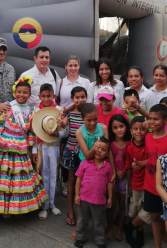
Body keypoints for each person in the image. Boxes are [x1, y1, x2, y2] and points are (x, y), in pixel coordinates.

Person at [0, 76, 48, 215]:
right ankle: (3, 207)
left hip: (22, 147)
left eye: (25, 92)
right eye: (19, 92)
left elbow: (32, 131)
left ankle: (17, 207)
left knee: (19, 177)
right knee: (4, 177)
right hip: (5, 146)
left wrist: (33, 149)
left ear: (29, 95)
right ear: (15, 92)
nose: (21, 95)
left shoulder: (32, 111)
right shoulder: (8, 107)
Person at [128, 104, 167, 248]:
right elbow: (151, 158)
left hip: (166, 185)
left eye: (156, 119)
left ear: (166, 120)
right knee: (153, 215)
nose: (152, 122)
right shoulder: (147, 137)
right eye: (150, 119)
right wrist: (140, 164)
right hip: (150, 184)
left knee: (166, 215)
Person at [74, 137, 113, 248]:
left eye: (103, 149)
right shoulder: (85, 163)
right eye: (97, 147)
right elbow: (79, 179)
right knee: (82, 220)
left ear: (107, 153)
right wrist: (77, 194)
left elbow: (110, 182)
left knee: (99, 222)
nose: (99, 151)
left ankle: (100, 240)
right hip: (84, 198)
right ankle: (80, 237)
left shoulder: (107, 167)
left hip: (99, 201)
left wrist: (110, 197)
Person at [33, 83, 65, 220]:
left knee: (53, 174)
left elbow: (65, 131)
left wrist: (57, 134)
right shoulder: (35, 111)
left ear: (54, 96)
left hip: (55, 146)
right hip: (42, 147)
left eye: (49, 96)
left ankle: (52, 204)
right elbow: (34, 133)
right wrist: (34, 150)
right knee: (44, 175)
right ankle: (44, 206)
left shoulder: (59, 110)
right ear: (39, 96)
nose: (46, 99)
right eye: (44, 96)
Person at [59, 86, 87, 228]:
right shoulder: (70, 114)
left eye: (82, 97)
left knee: (83, 183)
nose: (80, 100)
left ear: (86, 98)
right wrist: (60, 119)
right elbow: (63, 124)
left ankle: (82, 212)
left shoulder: (89, 112)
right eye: (77, 97)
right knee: (71, 181)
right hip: (71, 150)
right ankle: (71, 211)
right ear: (72, 99)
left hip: (86, 152)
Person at [124, 116, 150, 248]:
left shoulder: (150, 144)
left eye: (142, 129)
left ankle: (130, 227)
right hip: (136, 183)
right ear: (131, 131)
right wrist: (129, 185)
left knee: (147, 210)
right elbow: (128, 168)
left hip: (149, 184)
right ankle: (139, 232)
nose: (139, 132)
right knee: (136, 210)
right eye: (135, 129)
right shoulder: (129, 148)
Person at [106, 115, 132, 242]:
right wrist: (114, 172)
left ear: (126, 127)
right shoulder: (110, 144)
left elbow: (131, 161)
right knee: (111, 205)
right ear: (111, 129)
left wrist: (125, 172)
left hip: (124, 180)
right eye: (115, 127)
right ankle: (109, 228)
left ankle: (120, 229)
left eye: (121, 126)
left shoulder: (130, 143)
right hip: (112, 179)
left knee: (122, 205)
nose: (119, 130)